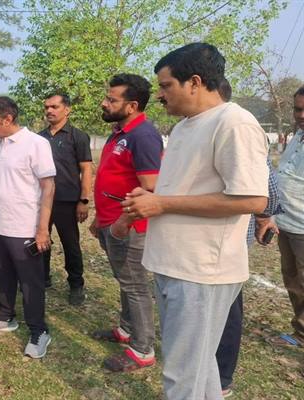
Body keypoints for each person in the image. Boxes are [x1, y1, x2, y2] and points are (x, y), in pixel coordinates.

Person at [122, 43, 269, 399]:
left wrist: (163, 202)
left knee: (182, 375)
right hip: (174, 264)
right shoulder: (186, 126)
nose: (159, 95)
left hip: (202, 271)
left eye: (166, 85)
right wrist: (152, 198)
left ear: (195, 82)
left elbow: (252, 199)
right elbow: (186, 186)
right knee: (199, 369)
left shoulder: (234, 123)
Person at [88, 74, 162, 372]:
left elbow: (150, 188)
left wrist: (123, 221)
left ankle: (143, 349)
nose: (104, 103)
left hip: (129, 227)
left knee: (135, 285)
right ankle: (126, 329)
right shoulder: (120, 132)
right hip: (110, 222)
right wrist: (100, 217)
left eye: (111, 99)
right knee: (125, 280)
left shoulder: (143, 135)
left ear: (132, 105)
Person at [0, 96, 56, 359]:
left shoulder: (36, 144)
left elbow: (48, 187)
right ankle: (5, 316)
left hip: (25, 228)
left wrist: (42, 229)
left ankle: (39, 330)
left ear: (7, 119)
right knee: (3, 275)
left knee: (31, 283)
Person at [213, 78, 281, 397]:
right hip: (206, 243)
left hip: (230, 239)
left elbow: (267, 188)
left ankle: (222, 377)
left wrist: (265, 216)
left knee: (228, 307)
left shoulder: (236, 127)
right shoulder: (206, 126)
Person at [38, 93, 92, 305]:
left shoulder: (78, 136)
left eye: (54, 107)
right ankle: (42, 278)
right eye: (47, 107)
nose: (49, 111)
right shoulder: (39, 138)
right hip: (42, 200)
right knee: (41, 239)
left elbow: (86, 170)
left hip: (67, 200)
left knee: (70, 244)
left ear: (67, 109)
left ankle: (76, 284)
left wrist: (84, 200)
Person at [272, 85, 304, 347]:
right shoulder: (298, 136)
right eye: (297, 109)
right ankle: (301, 330)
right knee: (293, 279)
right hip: (286, 223)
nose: (301, 115)